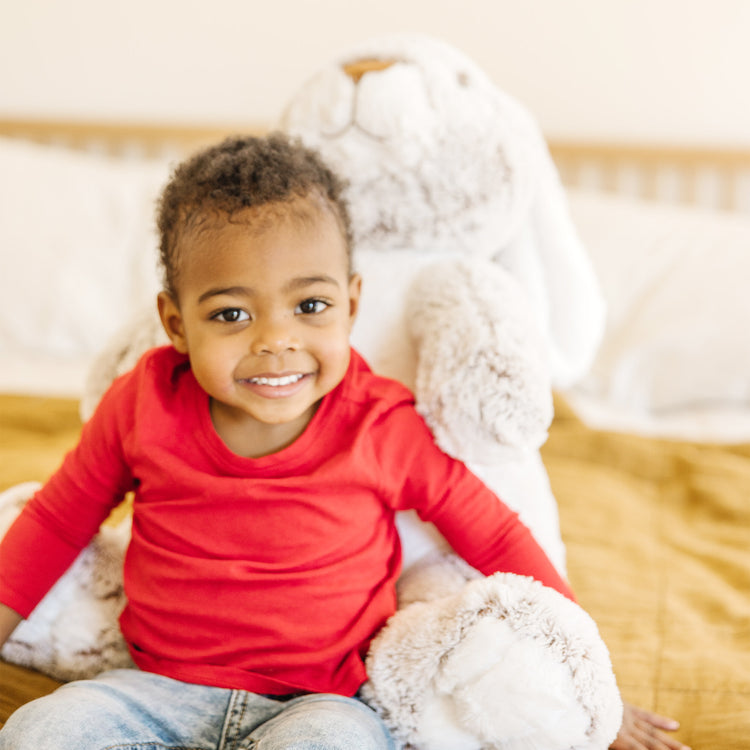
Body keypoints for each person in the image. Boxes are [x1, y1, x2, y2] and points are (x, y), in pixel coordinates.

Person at [0, 134, 685, 750]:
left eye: (310, 306)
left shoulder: (380, 423)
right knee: (40, 729)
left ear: (351, 305)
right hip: (154, 690)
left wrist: (589, 688)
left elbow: (499, 538)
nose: (276, 340)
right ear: (176, 324)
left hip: (322, 705)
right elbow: (55, 522)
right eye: (232, 313)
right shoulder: (143, 403)